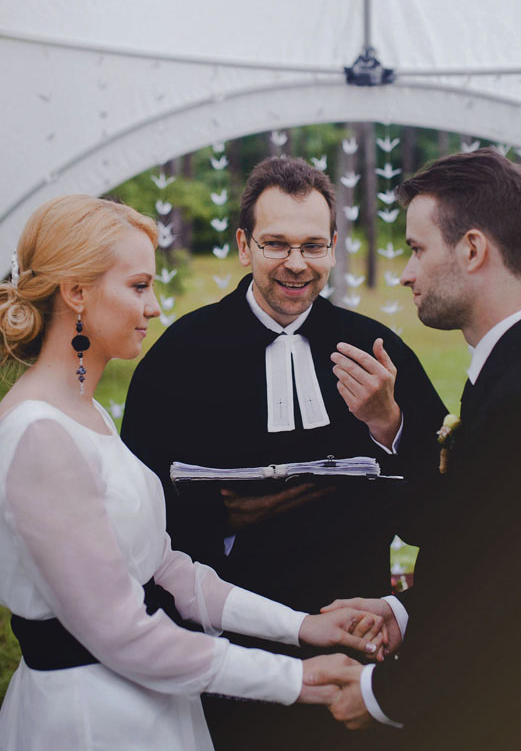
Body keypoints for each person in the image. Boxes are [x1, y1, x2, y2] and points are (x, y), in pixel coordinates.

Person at [0, 193, 387, 751]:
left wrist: (300, 626)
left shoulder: (85, 411)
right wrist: (297, 679)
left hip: (149, 702)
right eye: (139, 286)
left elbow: (163, 567)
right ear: (76, 293)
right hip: (92, 719)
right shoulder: (41, 437)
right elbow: (125, 635)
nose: (154, 307)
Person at [121, 156, 446, 750]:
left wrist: (389, 425)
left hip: (350, 629)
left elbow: (434, 514)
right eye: (276, 244)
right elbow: (130, 516)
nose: (297, 264)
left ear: (333, 247)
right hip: (224, 641)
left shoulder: (377, 350)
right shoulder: (179, 355)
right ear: (244, 246)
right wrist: (219, 518)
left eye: (313, 246)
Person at [309, 148, 521, 751]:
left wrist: (384, 694)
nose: (406, 273)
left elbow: (513, 599)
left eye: (416, 248)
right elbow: (488, 547)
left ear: (474, 250)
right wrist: (402, 612)